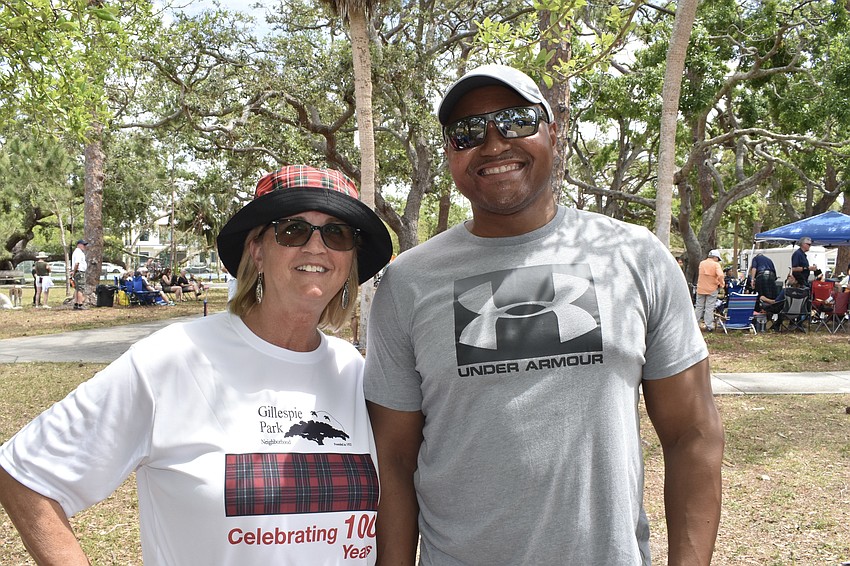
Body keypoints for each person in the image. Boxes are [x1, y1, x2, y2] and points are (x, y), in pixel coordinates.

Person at [364, 64, 724, 565]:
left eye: (516, 120)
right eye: (467, 132)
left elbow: (693, 433)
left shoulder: (635, 256)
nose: (492, 144)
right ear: (450, 153)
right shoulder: (408, 282)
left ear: (554, 133)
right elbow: (395, 461)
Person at [0, 164, 393, 565]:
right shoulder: (174, 358)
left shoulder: (353, 370)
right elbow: (26, 474)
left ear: (350, 260)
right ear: (256, 251)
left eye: (337, 233)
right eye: (292, 230)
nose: (316, 247)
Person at [694, 249, 725, 332]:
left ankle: (695, 324)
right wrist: (722, 284)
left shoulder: (702, 263)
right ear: (715, 257)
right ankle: (709, 326)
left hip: (700, 288)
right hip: (712, 289)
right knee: (709, 307)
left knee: (699, 307)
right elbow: (721, 275)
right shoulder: (716, 265)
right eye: (718, 259)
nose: (718, 261)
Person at [71, 239, 88, 310]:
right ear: (79, 245)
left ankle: (76, 303)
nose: (84, 246)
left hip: (78, 271)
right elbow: (77, 263)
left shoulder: (77, 252)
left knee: (77, 288)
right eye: (83, 245)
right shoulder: (78, 252)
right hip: (79, 272)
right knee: (80, 288)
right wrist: (74, 272)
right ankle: (80, 304)